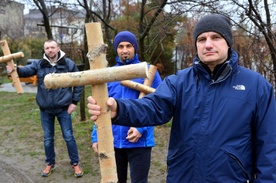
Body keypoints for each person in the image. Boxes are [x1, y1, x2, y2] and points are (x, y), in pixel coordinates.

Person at [87, 14, 276, 182]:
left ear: (228, 42)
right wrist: (120, 109)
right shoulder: (179, 82)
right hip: (183, 176)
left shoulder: (256, 86)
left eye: (216, 37)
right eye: (201, 39)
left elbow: (269, 145)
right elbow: (153, 107)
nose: (208, 44)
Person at [91, 31, 162, 183]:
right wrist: (96, 137)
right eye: (121, 46)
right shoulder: (108, 74)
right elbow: (99, 109)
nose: (125, 50)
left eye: (128, 46)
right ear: (116, 49)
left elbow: (159, 106)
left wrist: (141, 128)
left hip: (140, 141)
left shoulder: (148, 72)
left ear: (135, 48)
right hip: (113, 140)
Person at [6, 40, 84, 178]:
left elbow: (79, 83)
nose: (50, 50)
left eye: (52, 47)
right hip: (45, 109)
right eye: (47, 48)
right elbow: (25, 71)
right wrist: (15, 69)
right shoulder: (39, 64)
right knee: (48, 138)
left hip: (63, 108)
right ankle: (50, 163)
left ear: (58, 48)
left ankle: (75, 163)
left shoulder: (68, 64)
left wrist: (74, 102)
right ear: (45, 50)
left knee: (69, 137)